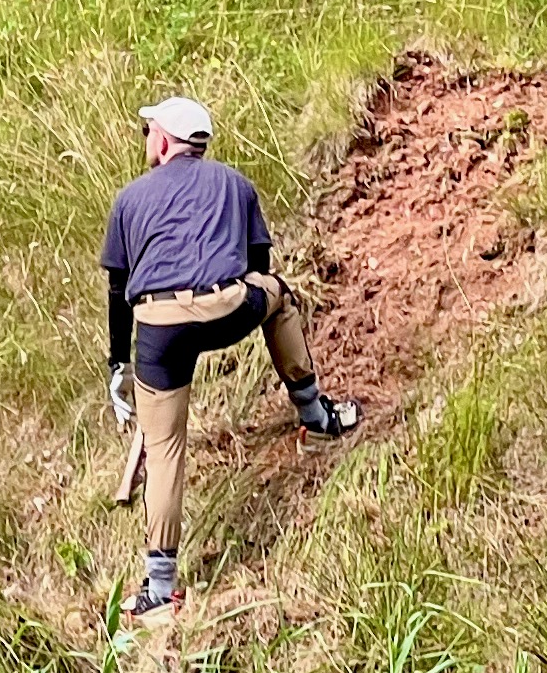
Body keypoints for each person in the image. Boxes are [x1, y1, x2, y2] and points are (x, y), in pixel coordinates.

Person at [99, 97, 360, 615]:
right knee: (277, 293)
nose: (146, 136)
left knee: (165, 447)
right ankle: (315, 413)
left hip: (159, 329)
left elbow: (117, 289)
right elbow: (258, 265)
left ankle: (158, 586)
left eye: (149, 129)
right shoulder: (237, 186)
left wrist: (118, 365)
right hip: (228, 307)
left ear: (166, 141)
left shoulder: (130, 199)